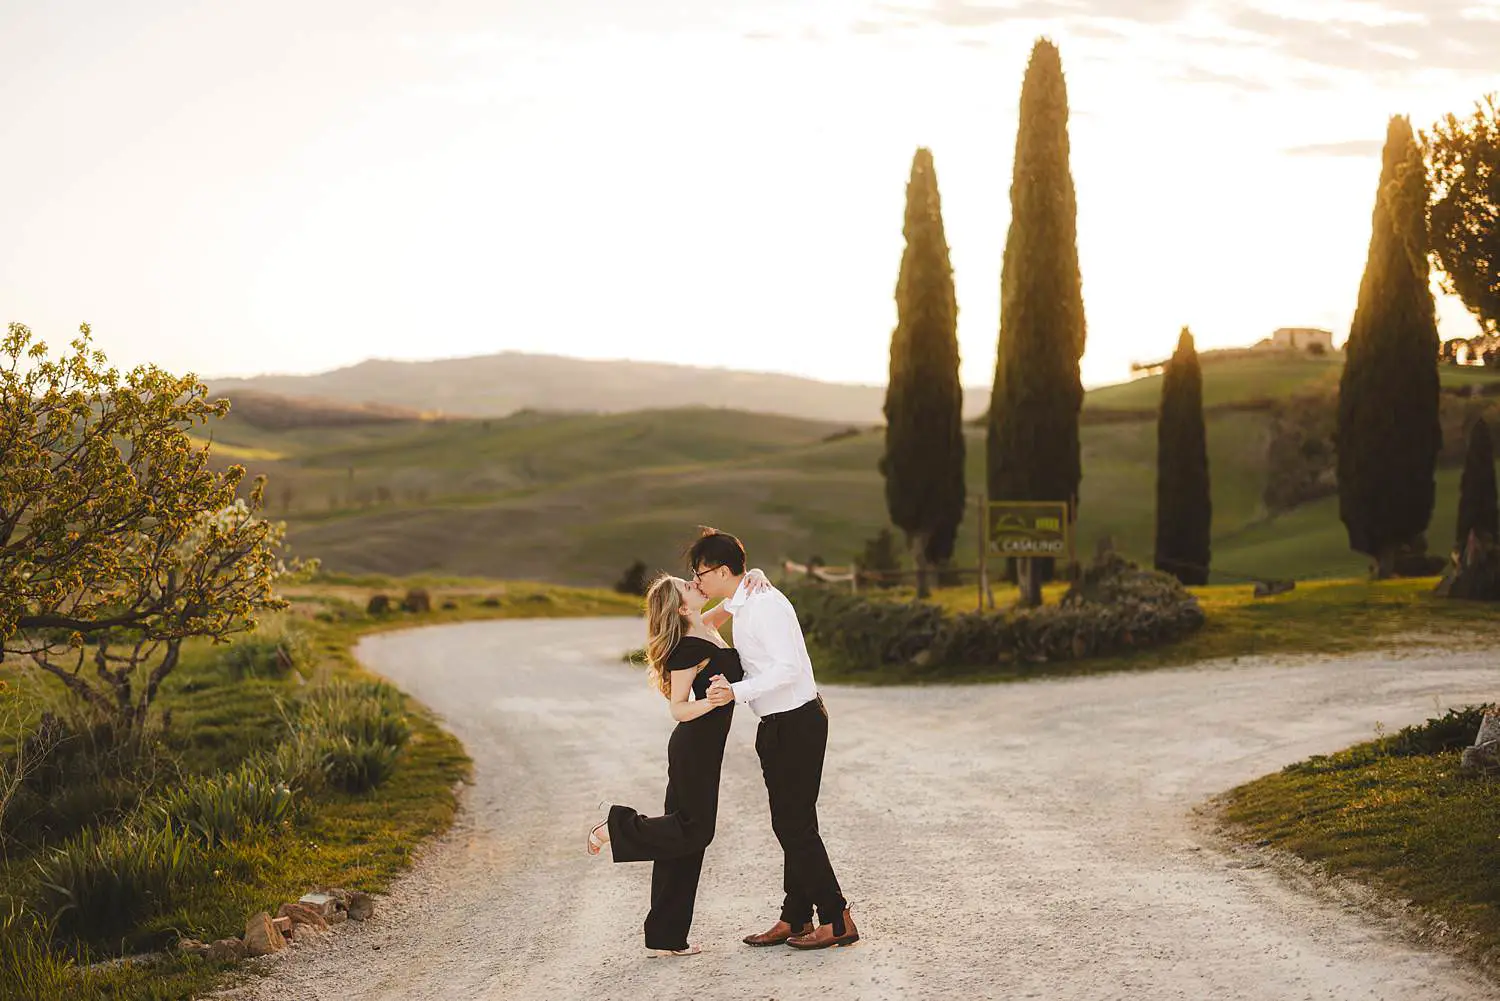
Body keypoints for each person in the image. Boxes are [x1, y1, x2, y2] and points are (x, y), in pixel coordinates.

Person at [692, 528, 859, 950]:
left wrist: (737, 691)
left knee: (794, 825)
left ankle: (837, 918)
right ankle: (796, 916)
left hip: (798, 722)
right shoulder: (745, 600)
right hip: (777, 725)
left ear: (724, 570)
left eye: (701, 573)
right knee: (793, 824)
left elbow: (786, 669)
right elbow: (707, 618)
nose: (698, 582)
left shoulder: (765, 606)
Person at [586, 569, 764, 956]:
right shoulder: (687, 648)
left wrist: (755, 575)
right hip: (693, 746)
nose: (694, 583)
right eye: (687, 586)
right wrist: (713, 701)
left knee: (685, 841)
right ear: (682, 607)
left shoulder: (706, 626)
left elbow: (734, 601)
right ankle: (616, 827)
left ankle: (668, 936)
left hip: (706, 746)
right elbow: (678, 709)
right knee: (695, 832)